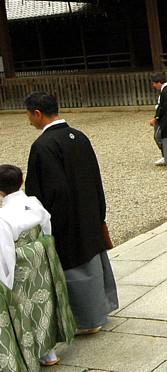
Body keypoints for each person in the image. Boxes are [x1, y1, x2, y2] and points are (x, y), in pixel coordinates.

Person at [23, 91, 118, 334]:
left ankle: (86, 321)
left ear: (37, 113)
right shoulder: (80, 137)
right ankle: (101, 308)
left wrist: (46, 222)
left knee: (75, 268)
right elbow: (96, 178)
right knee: (94, 264)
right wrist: (99, 212)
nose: (29, 121)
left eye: (29, 115)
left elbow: (50, 191)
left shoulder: (43, 146)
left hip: (66, 219)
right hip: (88, 211)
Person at [0, 164, 76, 368]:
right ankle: (49, 353)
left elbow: (5, 251)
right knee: (44, 303)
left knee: (23, 309)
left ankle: (30, 355)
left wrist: (4, 282)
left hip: (20, 265)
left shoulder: (3, 216)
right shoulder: (33, 202)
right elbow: (47, 226)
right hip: (40, 258)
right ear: (21, 181)